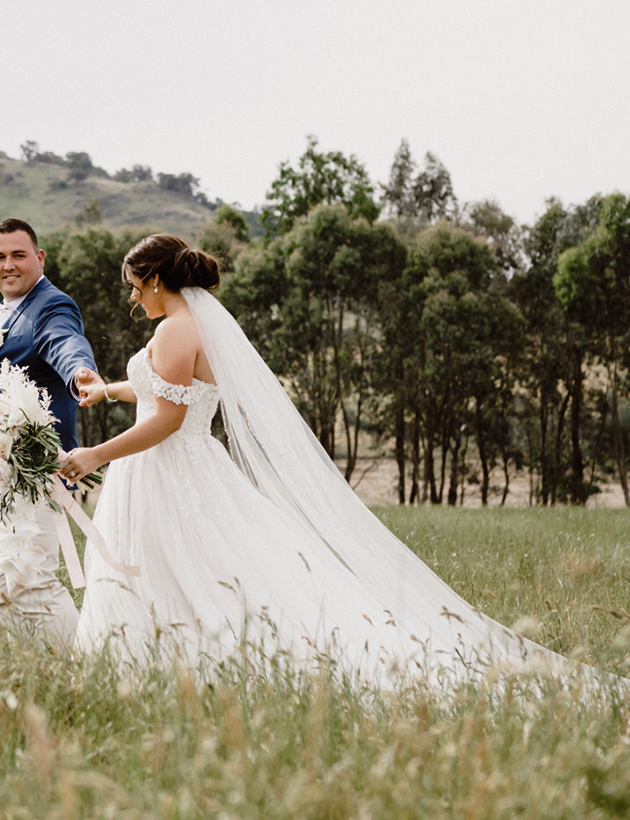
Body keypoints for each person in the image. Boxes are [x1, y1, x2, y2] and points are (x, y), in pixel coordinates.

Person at [57, 234, 560, 684]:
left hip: (168, 465)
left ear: (156, 279)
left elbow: (166, 418)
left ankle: (167, 659)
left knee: (184, 566)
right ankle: (165, 659)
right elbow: (159, 390)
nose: (132, 296)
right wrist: (106, 392)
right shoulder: (191, 326)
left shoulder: (173, 330)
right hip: (182, 464)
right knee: (193, 564)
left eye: (135, 286)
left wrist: (95, 455)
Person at [0, 219, 96, 648]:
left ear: (39, 258)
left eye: (18, 255)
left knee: (32, 585)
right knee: (2, 587)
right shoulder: (2, 310)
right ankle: (42, 675)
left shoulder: (50, 305)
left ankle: (86, 673)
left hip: (33, 471)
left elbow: (64, 341)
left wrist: (81, 373)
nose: (8, 265)